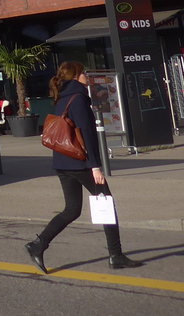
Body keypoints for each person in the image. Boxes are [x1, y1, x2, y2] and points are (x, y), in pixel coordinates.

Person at [24, 62, 141, 273]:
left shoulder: (61, 98)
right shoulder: (78, 99)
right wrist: (95, 166)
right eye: (84, 73)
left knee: (72, 210)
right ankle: (116, 255)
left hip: (62, 162)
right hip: (80, 163)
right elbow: (87, 135)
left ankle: (38, 244)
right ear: (77, 76)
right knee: (106, 203)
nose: (87, 76)